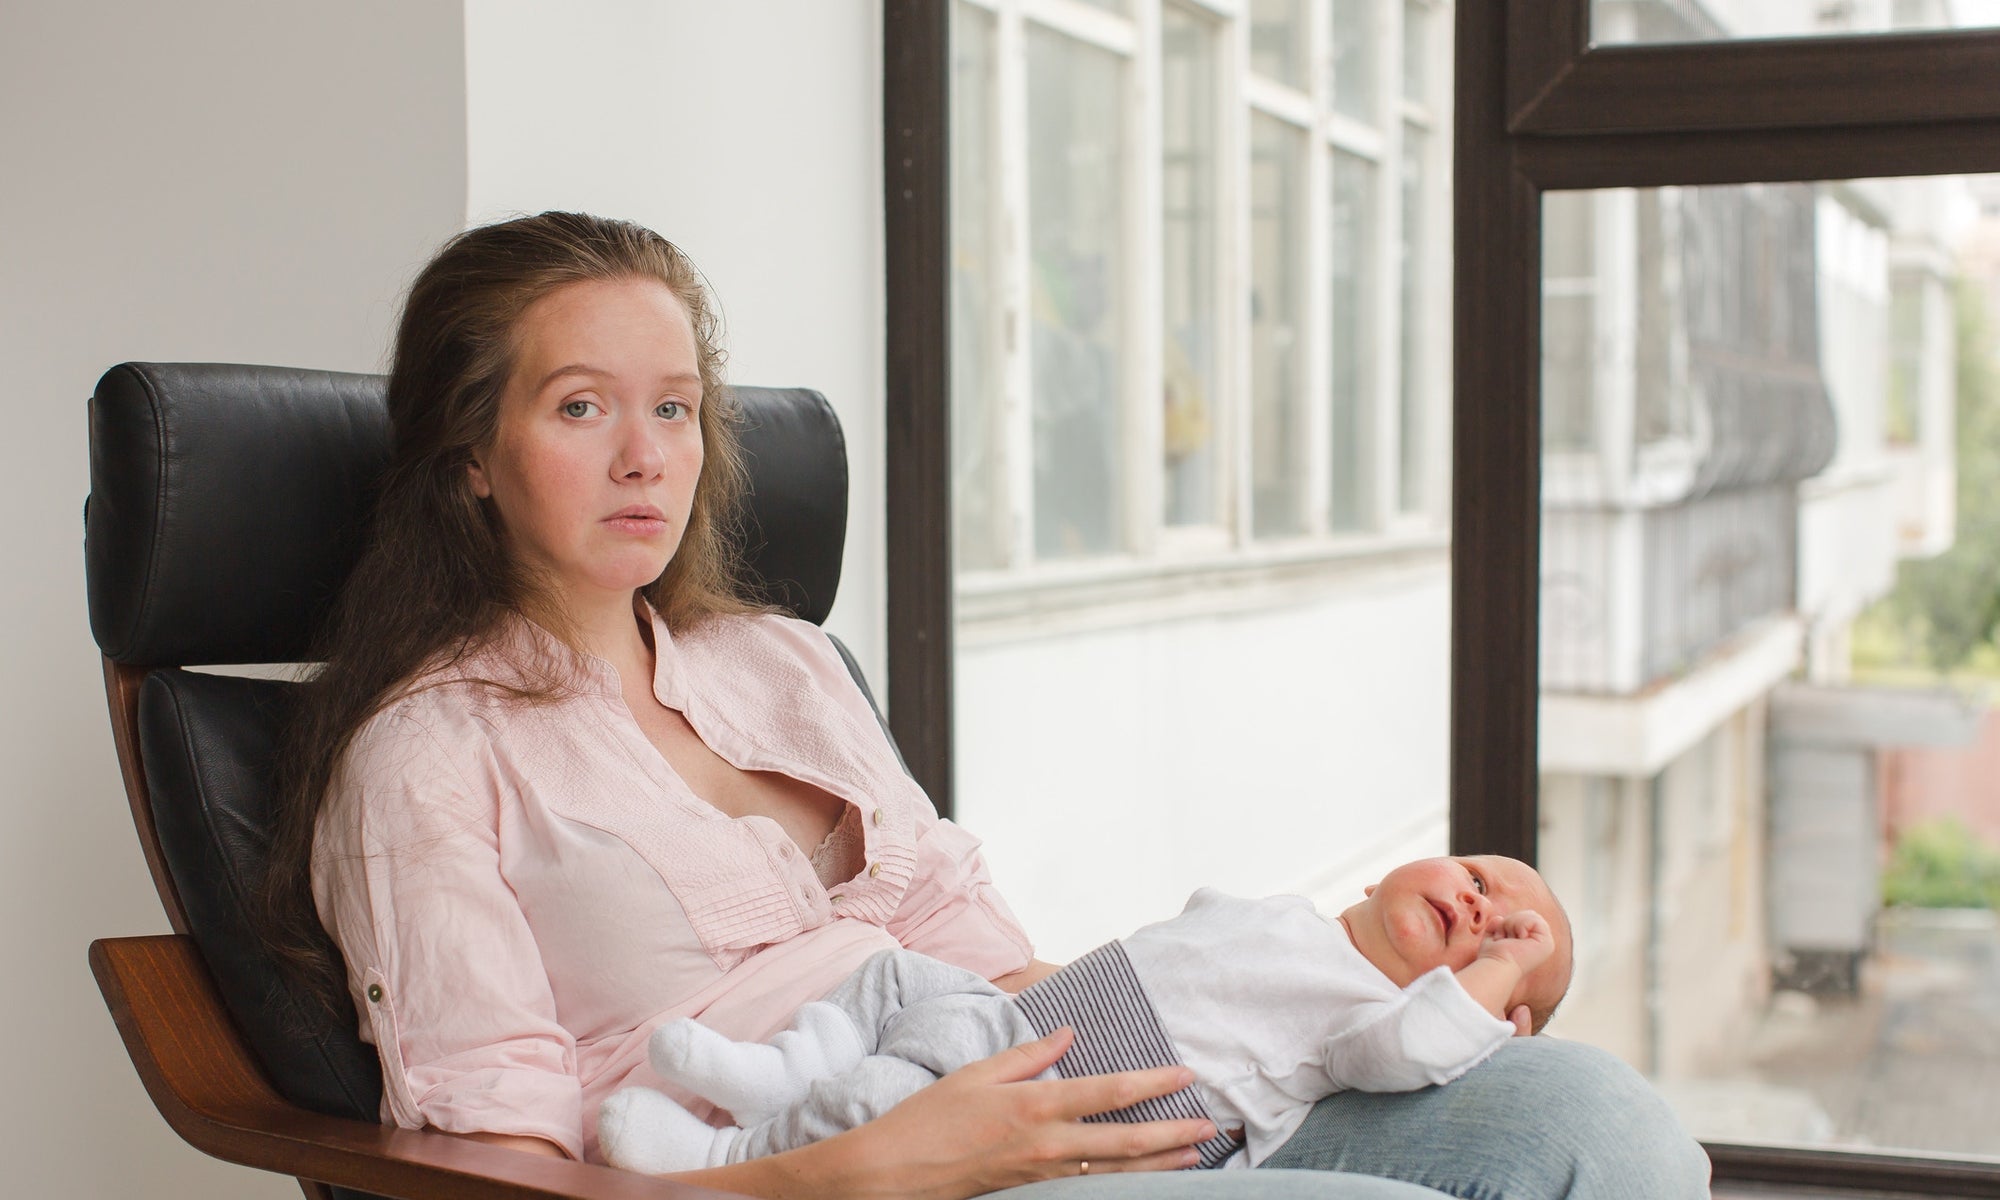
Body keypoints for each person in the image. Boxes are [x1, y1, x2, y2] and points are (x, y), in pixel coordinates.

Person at [259, 210, 1712, 1200]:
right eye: (581, 407)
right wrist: (882, 1163)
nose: (646, 456)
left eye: (677, 406)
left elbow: (980, 947)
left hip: (1043, 1087)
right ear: (468, 454)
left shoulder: (778, 663)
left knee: (1603, 1127)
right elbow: (494, 1167)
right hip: (824, 1168)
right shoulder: (424, 757)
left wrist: (1217, 1023)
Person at [598, 861, 1570, 1174]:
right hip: (1043, 1013)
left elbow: (1418, 1046)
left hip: (1075, 1099)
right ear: (1384, 871)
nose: (1479, 908)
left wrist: (1491, 979)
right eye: (1475, 877)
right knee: (892, 976)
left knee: (894, 1096)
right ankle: (785, 1070)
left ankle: (727, 1161)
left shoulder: (1371, 1016)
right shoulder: (1291, 917)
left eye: (1497, 934)